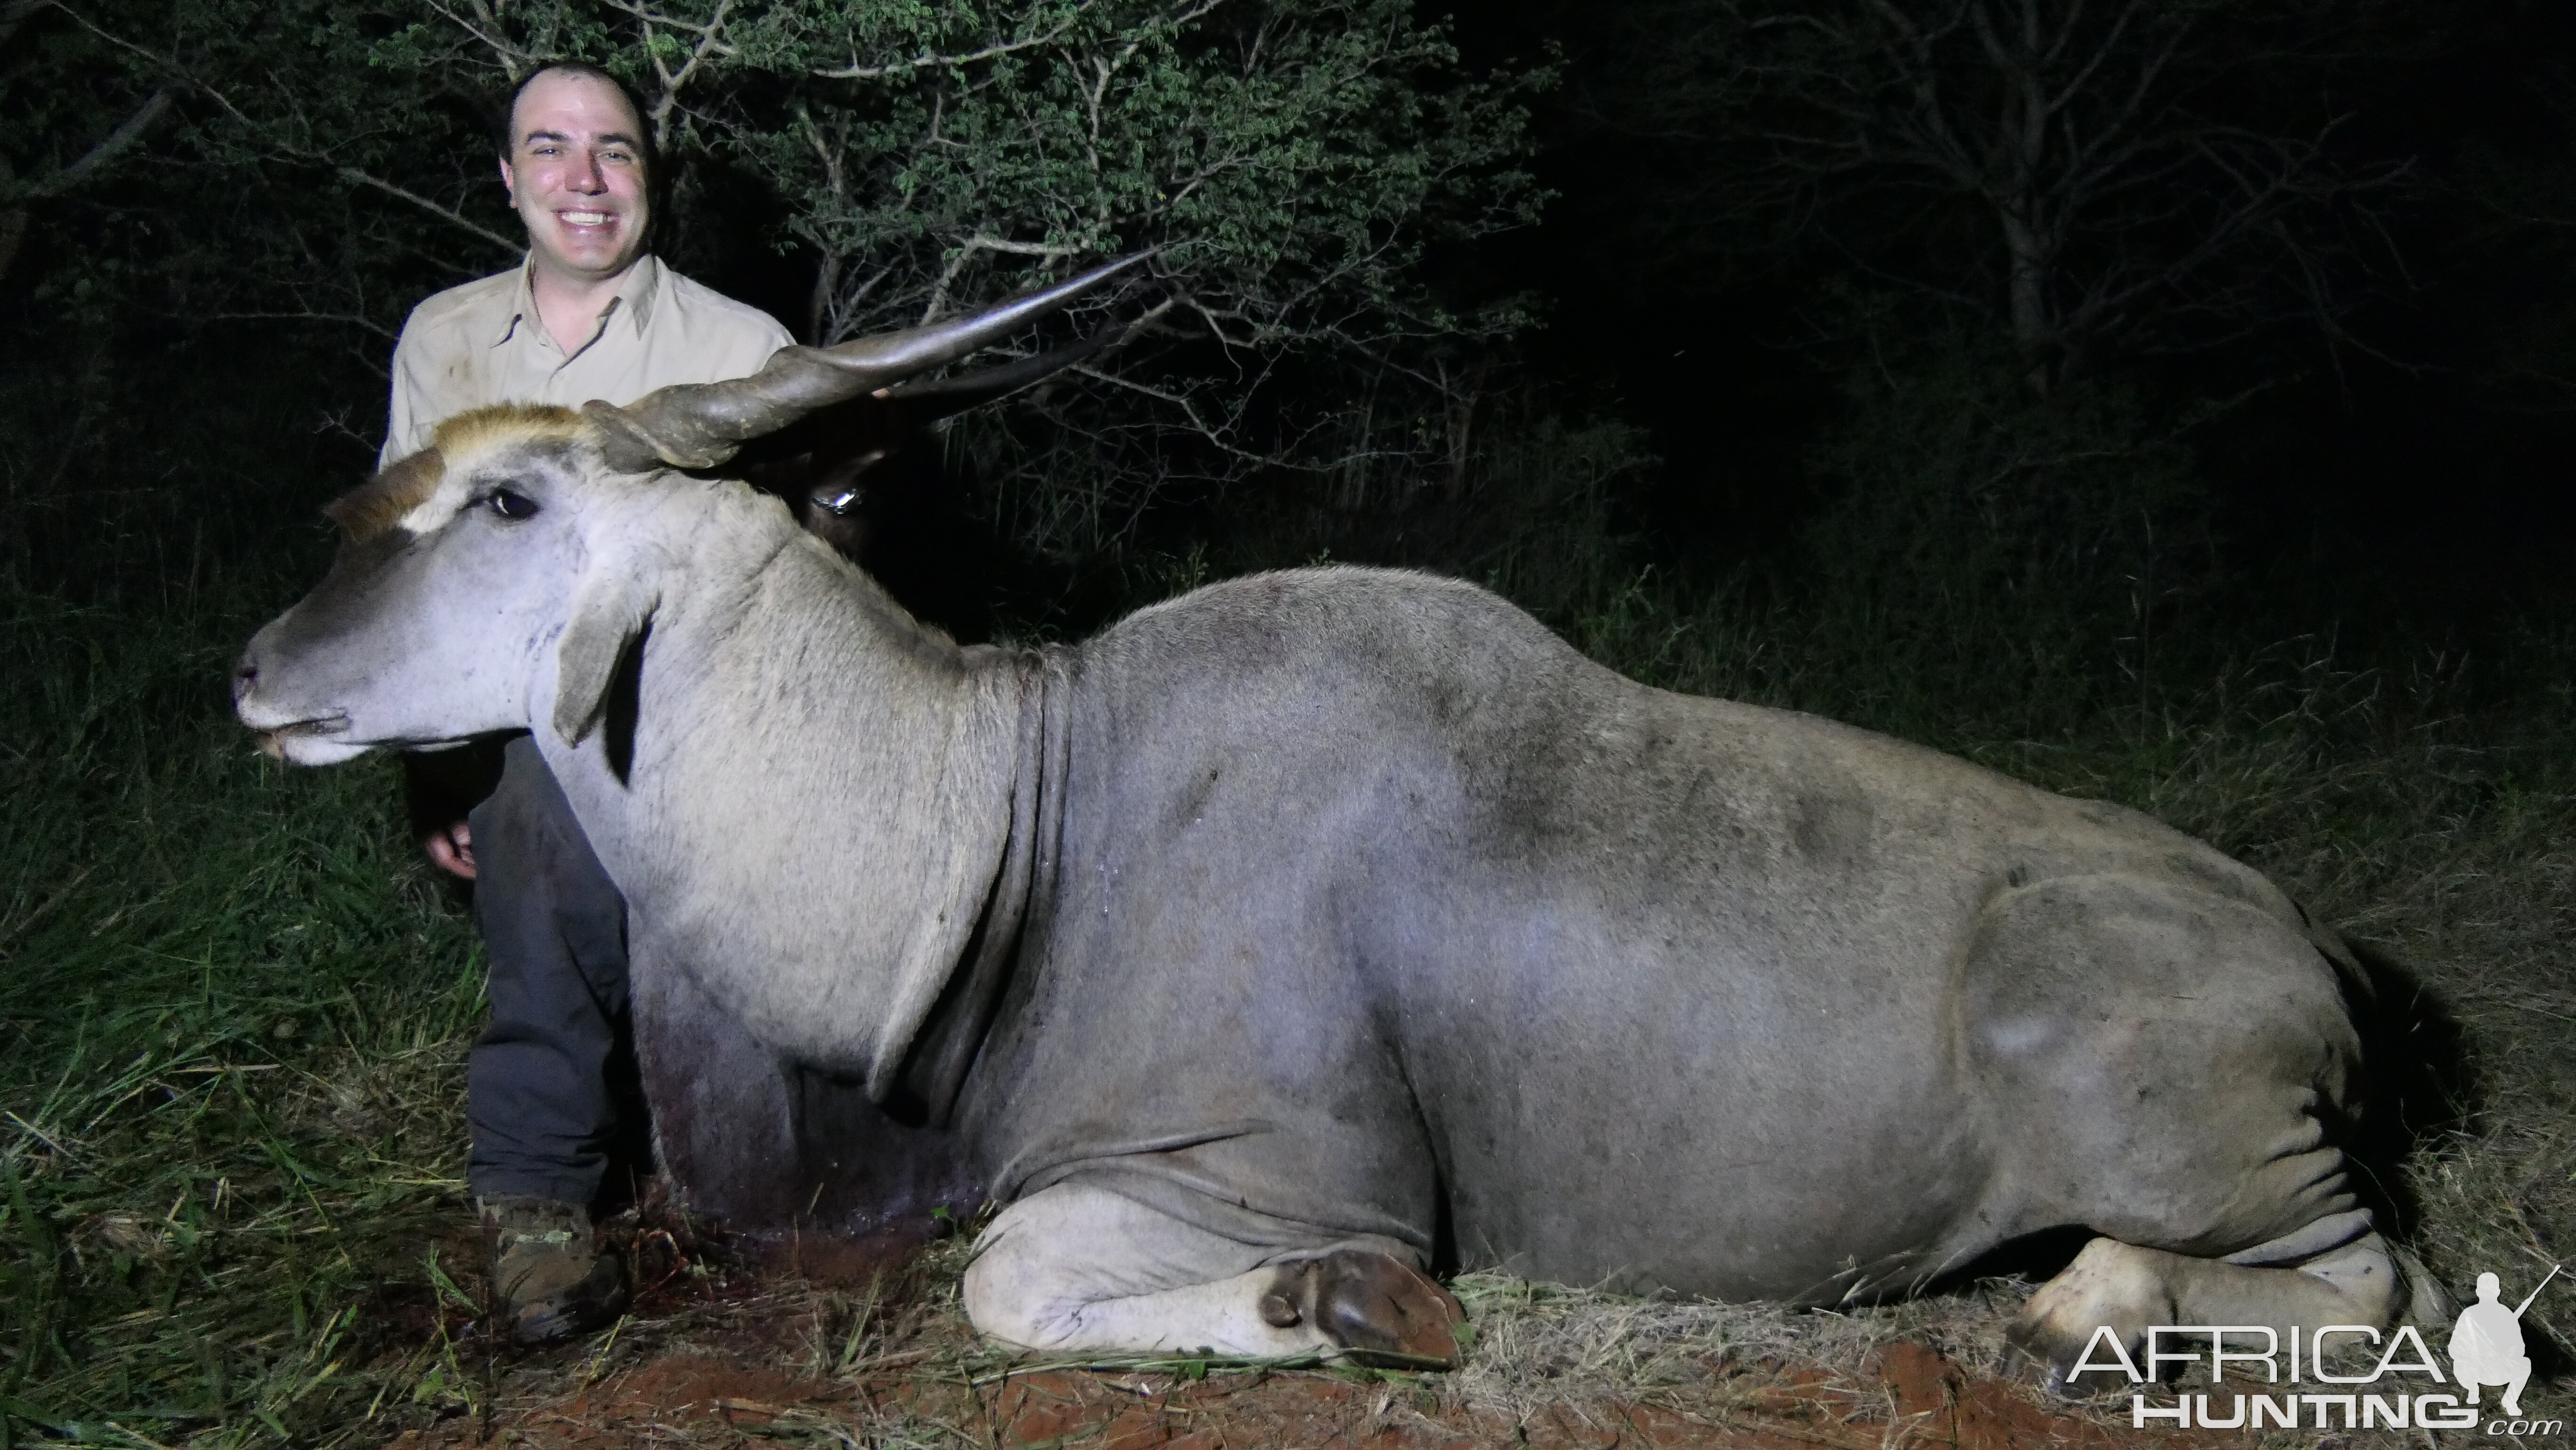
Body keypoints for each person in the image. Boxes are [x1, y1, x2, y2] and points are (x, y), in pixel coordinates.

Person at [381, 59, 793, 1344]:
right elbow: (405, 573)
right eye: (551, 150)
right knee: (538, 825)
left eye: (615, 151)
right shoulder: (446, 339)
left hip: (710, 706)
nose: (586, 180)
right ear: (509, 180)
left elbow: (803, 583)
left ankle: (748, 1167)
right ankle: (537, 1203)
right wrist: (433, 775)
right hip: (520, 715)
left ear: (650, 176)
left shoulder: (746, 349)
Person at [2448, 1271, 2535, 1417]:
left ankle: (2509, 1400)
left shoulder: (2504, 1314)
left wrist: (2501, 1349)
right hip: (2476, 1371)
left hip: (2496, 1371)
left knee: (2525, 1364)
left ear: (2478, 1292)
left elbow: (2518, 1348)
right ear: (2498, 1292)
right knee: (2524, 1364)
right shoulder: (2470, 1315)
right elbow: (2455, 1348)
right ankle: (2474, 1390)